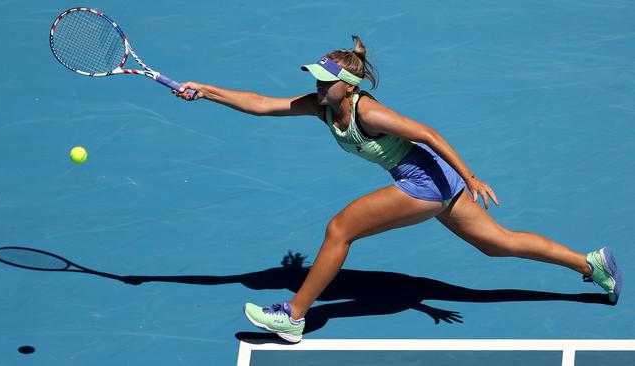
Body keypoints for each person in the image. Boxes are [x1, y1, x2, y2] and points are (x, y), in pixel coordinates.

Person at [173, 36, 622, 343]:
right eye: (315, 76)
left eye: (324, 80)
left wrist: (470, 177)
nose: (315, 84)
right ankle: (591, 264)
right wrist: (206, 90)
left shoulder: (370, 114)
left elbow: (428, 133)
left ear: (345, 88)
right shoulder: (321, 107)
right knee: (498, 245)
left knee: (339, 230)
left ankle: (293, 316)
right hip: (432, 181)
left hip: (426, 182)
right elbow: (263, 104)